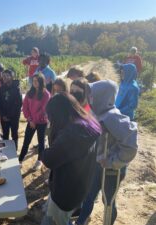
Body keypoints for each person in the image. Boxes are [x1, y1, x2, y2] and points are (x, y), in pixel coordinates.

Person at [75, 80, 138, 225]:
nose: (89, 98)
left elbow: (131, 143)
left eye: (92, 95)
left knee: (108, 199)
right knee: (89, 195)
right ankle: (81, 221)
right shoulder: (97, 112)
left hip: (111, 168)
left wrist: (113, 161)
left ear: (101, 96)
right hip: (98, 164)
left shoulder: (112, 116)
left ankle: (108, 221)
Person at [41, 93, 102, 225]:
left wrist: (50, 138)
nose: (49, 119)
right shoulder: (88, 122)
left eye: (50, 116)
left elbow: (49, 159)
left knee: (55, 221)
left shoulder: (71, 134)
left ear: (58, 115)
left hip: (65, 192)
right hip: (79, 186)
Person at [19, 73, 50, 170]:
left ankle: (39, 161)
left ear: (41, 82)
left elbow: (43, 110)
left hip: (42, 122)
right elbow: (25, 107)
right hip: (31, 121)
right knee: (26, 141)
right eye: (34, 81)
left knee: (41, 142)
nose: (35, 83)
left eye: (37, 81)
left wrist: (34, 121)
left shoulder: (46, 94)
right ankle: (20, 160)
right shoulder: (29, 93)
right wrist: (30, 120)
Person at [0, 69, 22, 149]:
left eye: (7, 75)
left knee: (14, 135)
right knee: (5, 135)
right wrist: (3, 115)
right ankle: (6, 151)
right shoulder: (1, 89)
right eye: (3, 76)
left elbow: (18, 104)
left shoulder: (17, 88)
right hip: (4, 117)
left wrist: (10, 116)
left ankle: (14, 151)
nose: (5, 77)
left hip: (14, 117)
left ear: (11, 77)